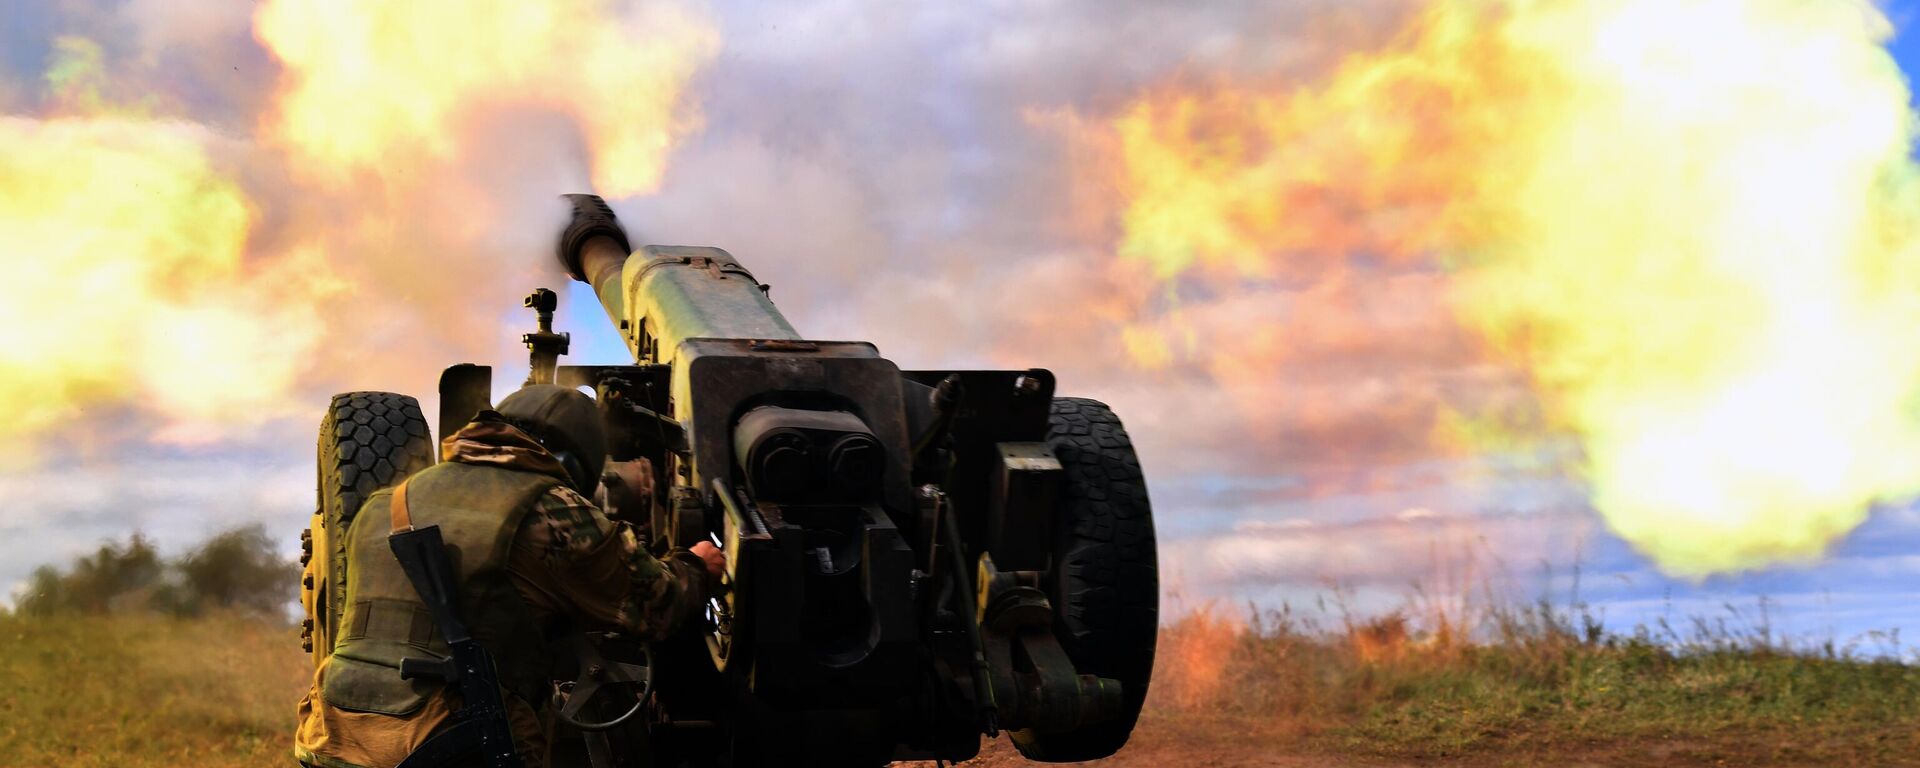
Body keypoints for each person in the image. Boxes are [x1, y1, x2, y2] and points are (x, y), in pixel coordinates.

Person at [295, 385, 725, 768]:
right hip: (450, 745)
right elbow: (655, 608)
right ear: (573, 462)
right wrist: (695, 565)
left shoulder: (387, 502)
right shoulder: (554, 510)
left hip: (335, 734)